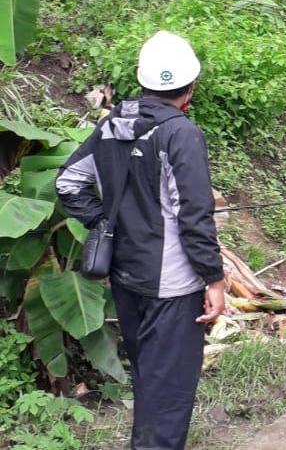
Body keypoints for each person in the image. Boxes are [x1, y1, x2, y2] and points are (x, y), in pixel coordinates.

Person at [56, 31, 224, 450]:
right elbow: (194, 217)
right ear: (191, 88)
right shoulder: (182, 133)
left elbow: (68, 182)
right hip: (172, 290)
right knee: (166, 404)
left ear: (144, 81)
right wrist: (215, 280)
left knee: (150, 386)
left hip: (127, 279)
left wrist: (105, 222)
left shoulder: (114, 124)